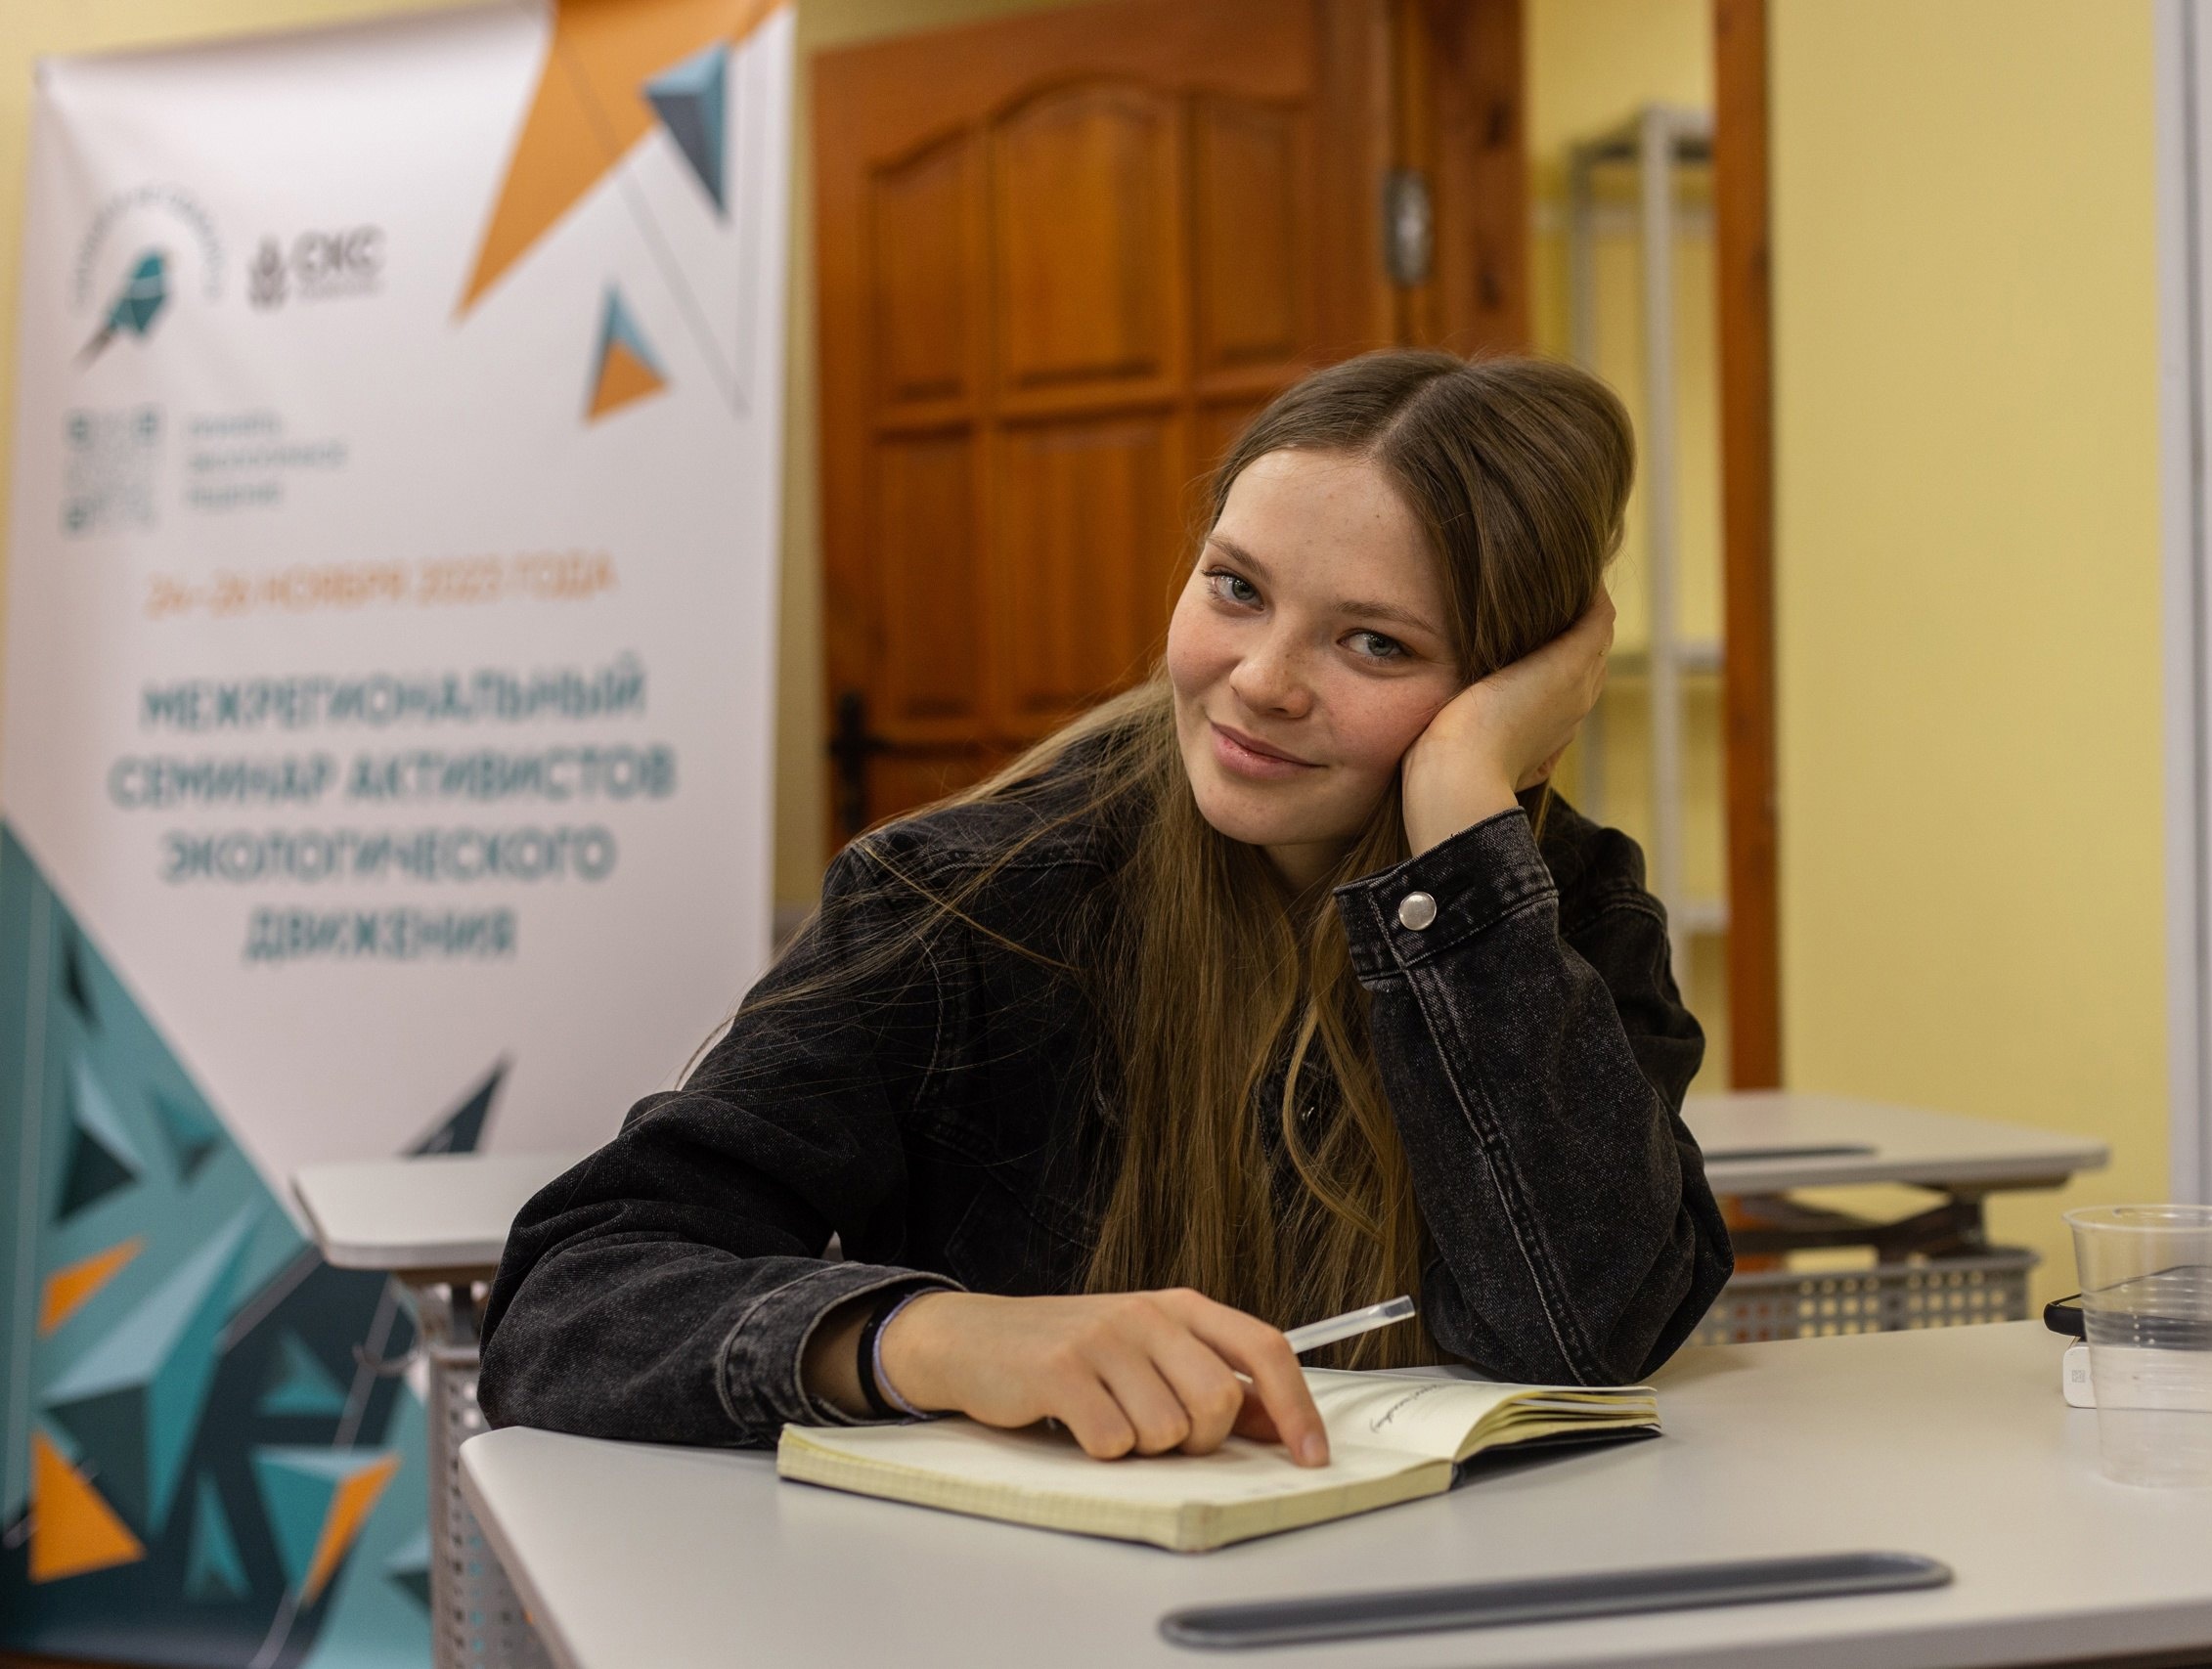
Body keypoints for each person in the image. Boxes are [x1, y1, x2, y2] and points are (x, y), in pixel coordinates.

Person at [477, 349, 1734, 1470]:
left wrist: (1459, 817)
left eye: (1376, 645)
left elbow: (1586, 1330)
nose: (1261, 682)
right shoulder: (964, 902)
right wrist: (935, 1340)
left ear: (1512, 702)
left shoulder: (1551, 911)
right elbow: (569, 1303)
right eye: (1235, 589)